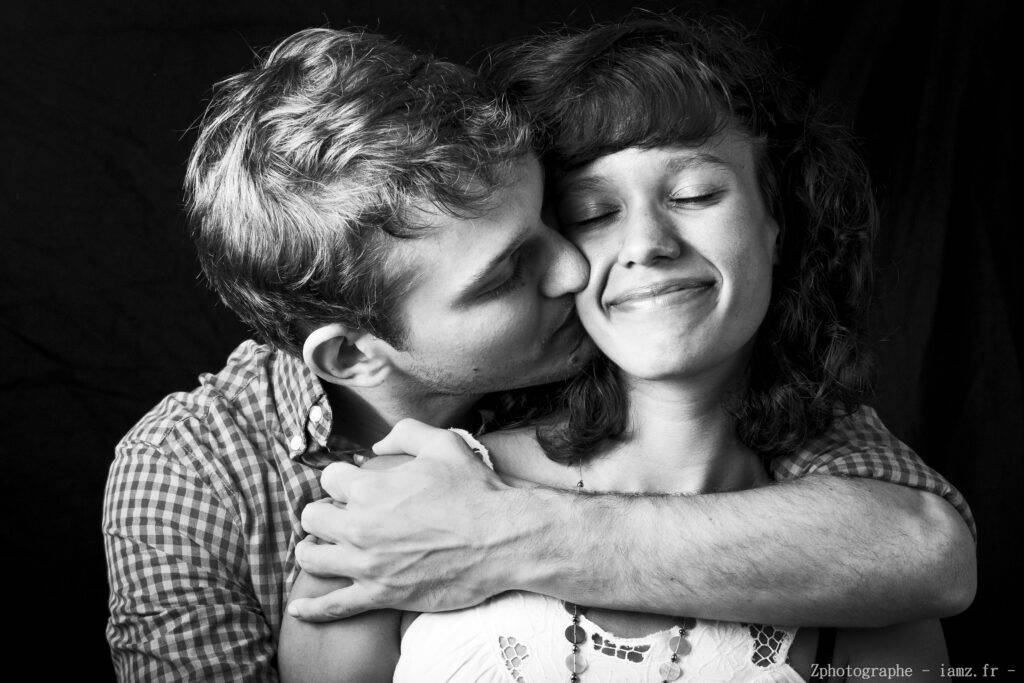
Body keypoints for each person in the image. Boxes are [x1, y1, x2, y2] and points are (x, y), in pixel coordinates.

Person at [103, 25, 974, 681]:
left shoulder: (671, 372)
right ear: (355, 356)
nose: (573, 266)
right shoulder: (196, 474)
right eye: (512, 267)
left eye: (549, 219)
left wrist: (501, 532)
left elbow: (921, 552)